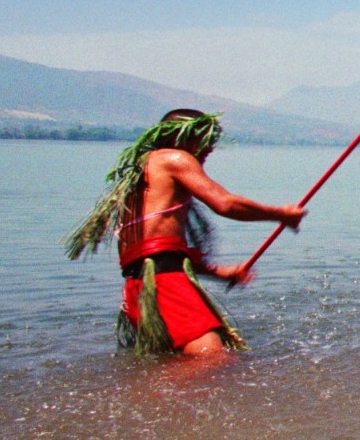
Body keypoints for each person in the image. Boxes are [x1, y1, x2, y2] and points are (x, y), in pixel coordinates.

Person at [66, 110, 306, 356]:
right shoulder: (174, 158)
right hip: (163, 283)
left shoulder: (143, 171)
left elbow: (155, 249)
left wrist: (219, 272)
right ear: (180, 137)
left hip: (141, 287)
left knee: (178, 365)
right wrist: (281, 214)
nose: (209, 148)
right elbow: (224, 203)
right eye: (203, 140)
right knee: (212, 361)